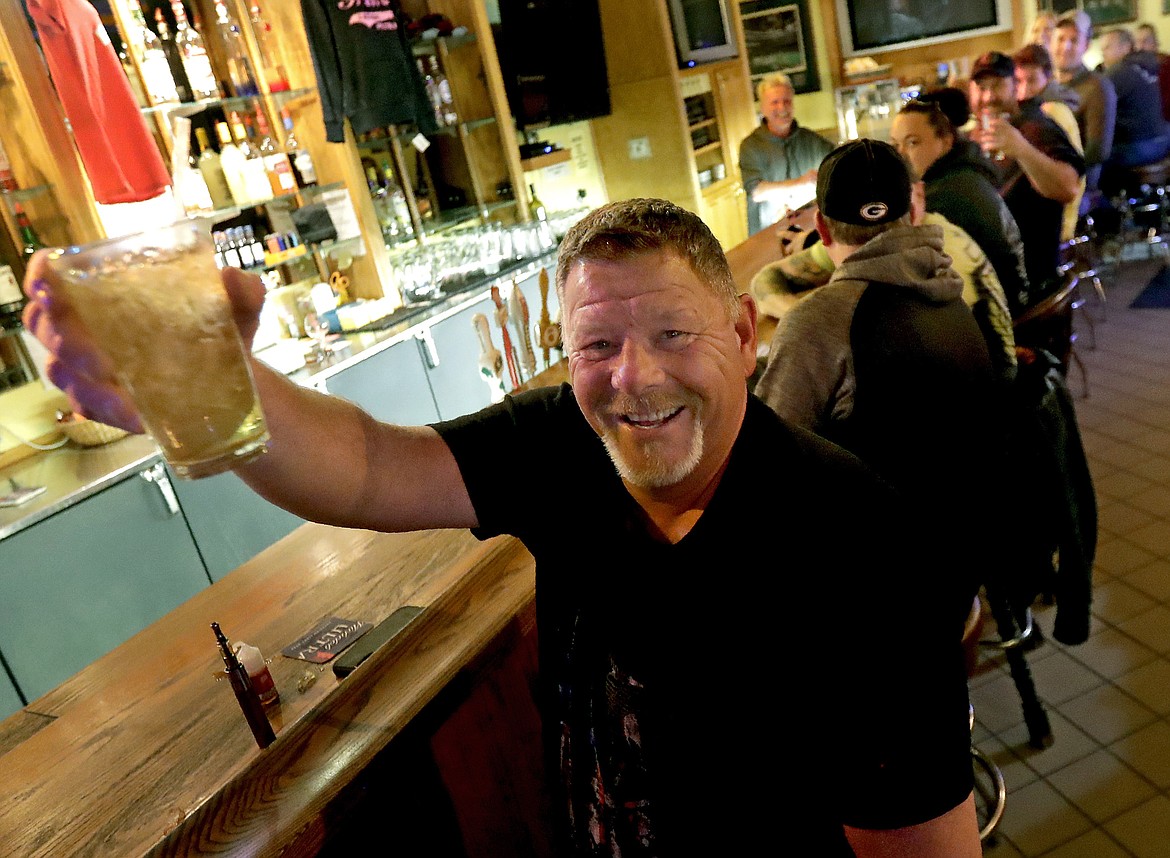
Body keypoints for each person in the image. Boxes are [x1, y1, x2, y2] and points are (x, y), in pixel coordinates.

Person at [23, 199, 982, 855]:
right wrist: (212, 386)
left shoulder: (866, 549)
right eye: (597, 345)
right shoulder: (567, 443)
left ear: (740, 333)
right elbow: (365, 464)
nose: (633, 378)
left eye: (673, 335)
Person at [754, 139, 1012, 627]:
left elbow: (762, 470)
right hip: (956, 572)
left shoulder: (823, 321)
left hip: (873, 611)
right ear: (912, 213)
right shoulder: (947, 286)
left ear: (822, 228)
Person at [751, 165, 1018, 382]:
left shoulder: (939, 264)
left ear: (917, 202)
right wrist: (797, 313)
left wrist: (808, 324)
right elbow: (765, 280)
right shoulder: (866, 241)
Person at [889, 90, 1031, 315]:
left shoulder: (942, 198)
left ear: (945, 142)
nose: (901, 154)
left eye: (912, 143)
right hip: (1014, 302)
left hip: (1002, 322)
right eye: (896, 145)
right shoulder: (966, 173)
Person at [969, 50, 1085, 307]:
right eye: (981, 87)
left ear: (1015, 87)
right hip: (985, 280)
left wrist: (1021, 148)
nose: (988, 97)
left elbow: (1068, 188)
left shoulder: (1036, 127)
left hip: (1027, 288)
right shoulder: (969, 141)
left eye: (997, 85)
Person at [738, 72, 834, 236]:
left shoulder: (812, 141)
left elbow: (838, 163)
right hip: (768, 237)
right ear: (762, 108)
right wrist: (802, 182)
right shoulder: (751, 146)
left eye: (787, 101)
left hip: (809, 234)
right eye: (774, 102)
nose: (782, 108)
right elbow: (756, 191)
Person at [1013, 42, 1086, 242]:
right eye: (1018, 81)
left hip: (1053, 216)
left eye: (1032, 81)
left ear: (1049, 78)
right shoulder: (1029, 111)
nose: (1024, 90)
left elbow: (1072, 178)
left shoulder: (1052, 112)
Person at [1051, 9, 1116, 211]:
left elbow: (1098, 152)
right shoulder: (1048, 85)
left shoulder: (1098, 88)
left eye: (1074, 40)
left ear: (1085, 46)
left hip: (1079, 186)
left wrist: (1058, 172)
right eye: (1060, 39)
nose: (1065, 47)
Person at [1097, 27, 1170, 196]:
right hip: (1163, 141)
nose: (1102, 53)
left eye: (1107, 47)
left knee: (1094, 159)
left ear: (1124, 47)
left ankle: (1110, 211)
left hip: (1140, 148)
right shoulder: (1147, 64)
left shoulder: (1117, 72)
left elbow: (1097, 107)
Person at [1133, 21, 1170, 121]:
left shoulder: (1166, 63)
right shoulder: (1131, 67)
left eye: (1145, 41)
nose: (1140, 46)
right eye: (1137, 42)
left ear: (1155, 43)